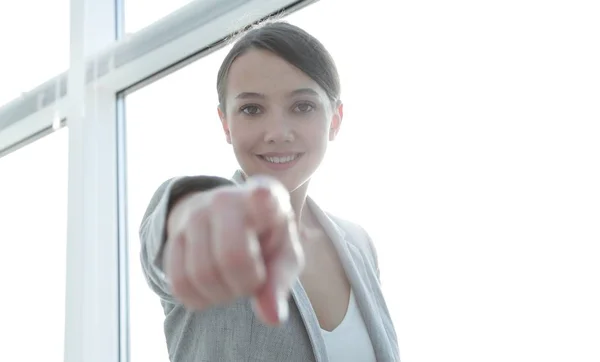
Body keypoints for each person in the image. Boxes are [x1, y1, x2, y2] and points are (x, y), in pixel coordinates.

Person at [139, 20, 400, 362]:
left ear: (335, 119)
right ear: (226, 124)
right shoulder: (215, 221)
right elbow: (169, 238)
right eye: (251, 109)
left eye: (302, 106)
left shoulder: (360, 244)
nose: (277, 131)